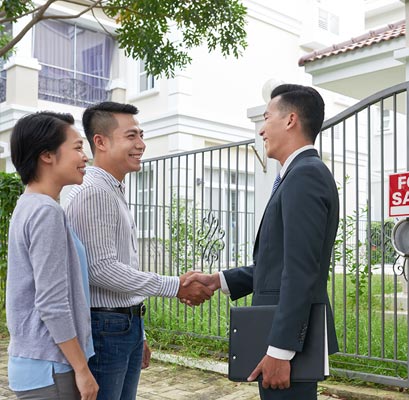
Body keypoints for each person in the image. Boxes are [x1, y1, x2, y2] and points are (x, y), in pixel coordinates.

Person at [185, 84, 340, 399]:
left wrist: (281, 351)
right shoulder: (295, 174)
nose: (261, 129)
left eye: (267, 118)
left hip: (289, 348)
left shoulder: (305, 175)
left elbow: (301, 272)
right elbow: (278, 265)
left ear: (290, 120)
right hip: (284, 342)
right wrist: (219, 280)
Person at [64, 101, 212, 400]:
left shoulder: (111, 189)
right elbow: (99, 268)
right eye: (131, 136)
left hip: (123, 324)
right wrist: (174, 285)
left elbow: (120, 264)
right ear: (101, 142)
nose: (141, 144)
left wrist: (139, 331)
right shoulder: (93, 192)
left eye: (141, 135)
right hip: (106, 327)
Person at [6, 112, 98, 399]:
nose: (85, 157)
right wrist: (82, 369)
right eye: (77, 147)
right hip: (51, 366)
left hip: (38, 363)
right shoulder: (46, 212)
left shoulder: (29, 205)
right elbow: (51, 302)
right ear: (47, 155)